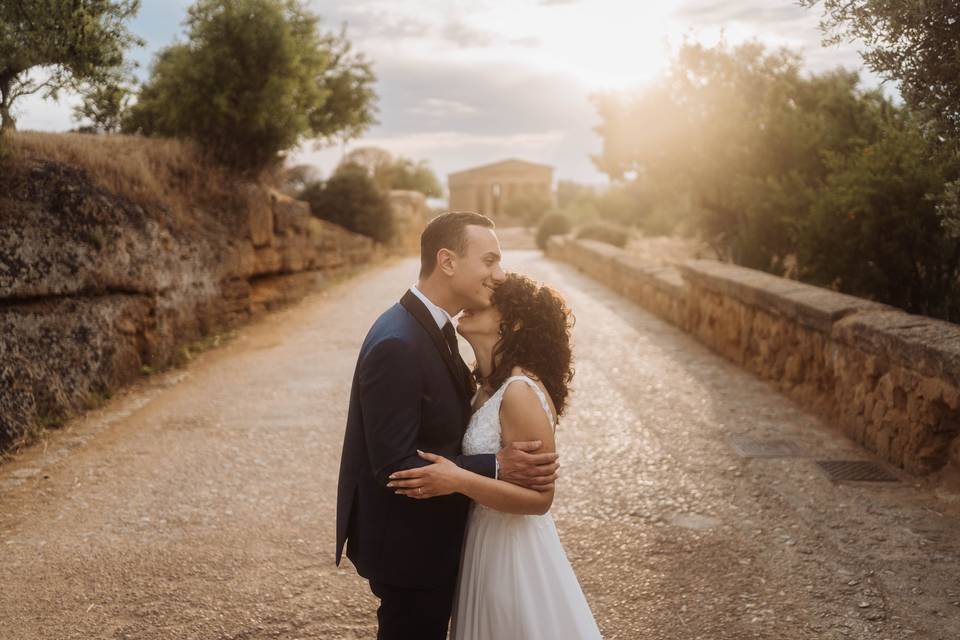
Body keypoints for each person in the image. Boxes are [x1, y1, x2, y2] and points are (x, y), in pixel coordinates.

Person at [335, 212, 562, 640]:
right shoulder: (400, 342)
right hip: (412, 551)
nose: (499, 275)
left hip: (448, 545)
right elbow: (395, 465)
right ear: (448, 261)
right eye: (490, 261)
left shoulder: (433, 330)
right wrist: (493, 466)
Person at [387, 272, 603, 640]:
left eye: (486, 303)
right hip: (482, 541)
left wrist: (458, 479)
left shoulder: (519, 391)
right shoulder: (485, 386)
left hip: (513, 553)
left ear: (513, 322)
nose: (470, 304)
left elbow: (540, 500)